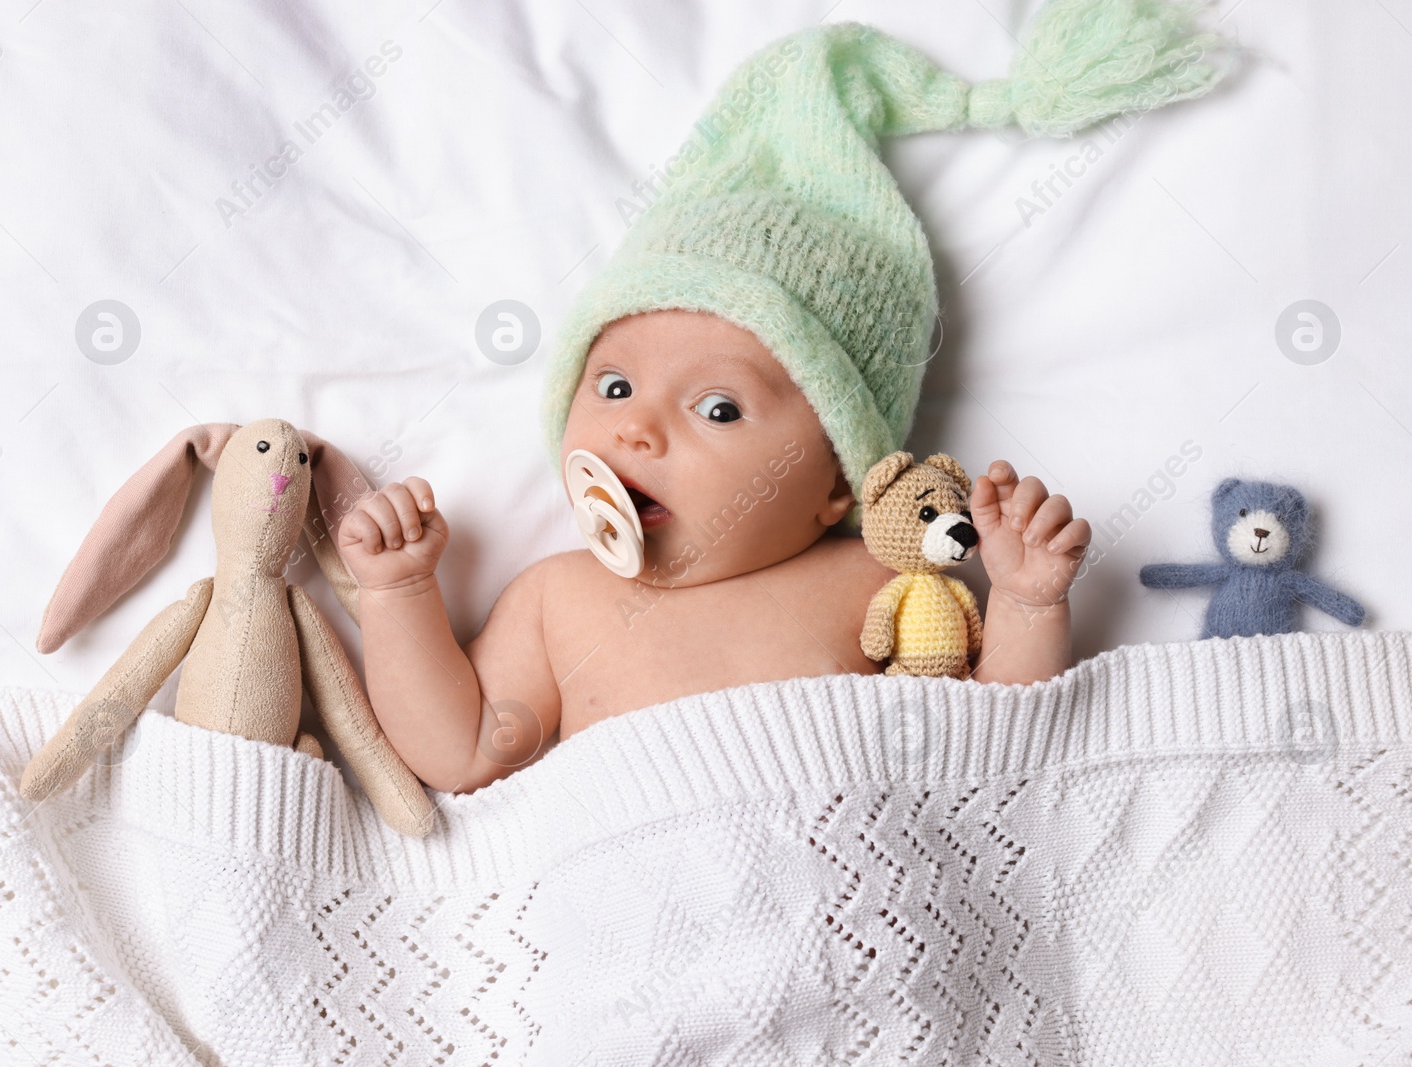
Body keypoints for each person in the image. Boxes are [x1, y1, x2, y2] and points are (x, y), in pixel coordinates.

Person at [333, 12, 1229, 793]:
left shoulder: (876, 583)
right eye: (613, 386)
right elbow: (459, 754)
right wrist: (400, 591)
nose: (636, 426)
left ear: (838, 483)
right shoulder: (555, 601)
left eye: (718, 409)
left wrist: (1029, 603)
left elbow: (997, 738)